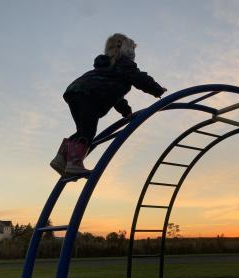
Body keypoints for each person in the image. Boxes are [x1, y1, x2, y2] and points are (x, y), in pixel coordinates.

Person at [50, 33, 167, 176]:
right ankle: (74, 164)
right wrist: (157, 89)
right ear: (127, 50)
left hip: (75, 92)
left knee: (82, 130)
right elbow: (140, 79)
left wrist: (126, 112)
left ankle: (60, 159)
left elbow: (115, 96)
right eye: (132, 50)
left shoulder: (107, 67)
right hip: (90, 96)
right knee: (88, 132)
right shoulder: (124, 64)